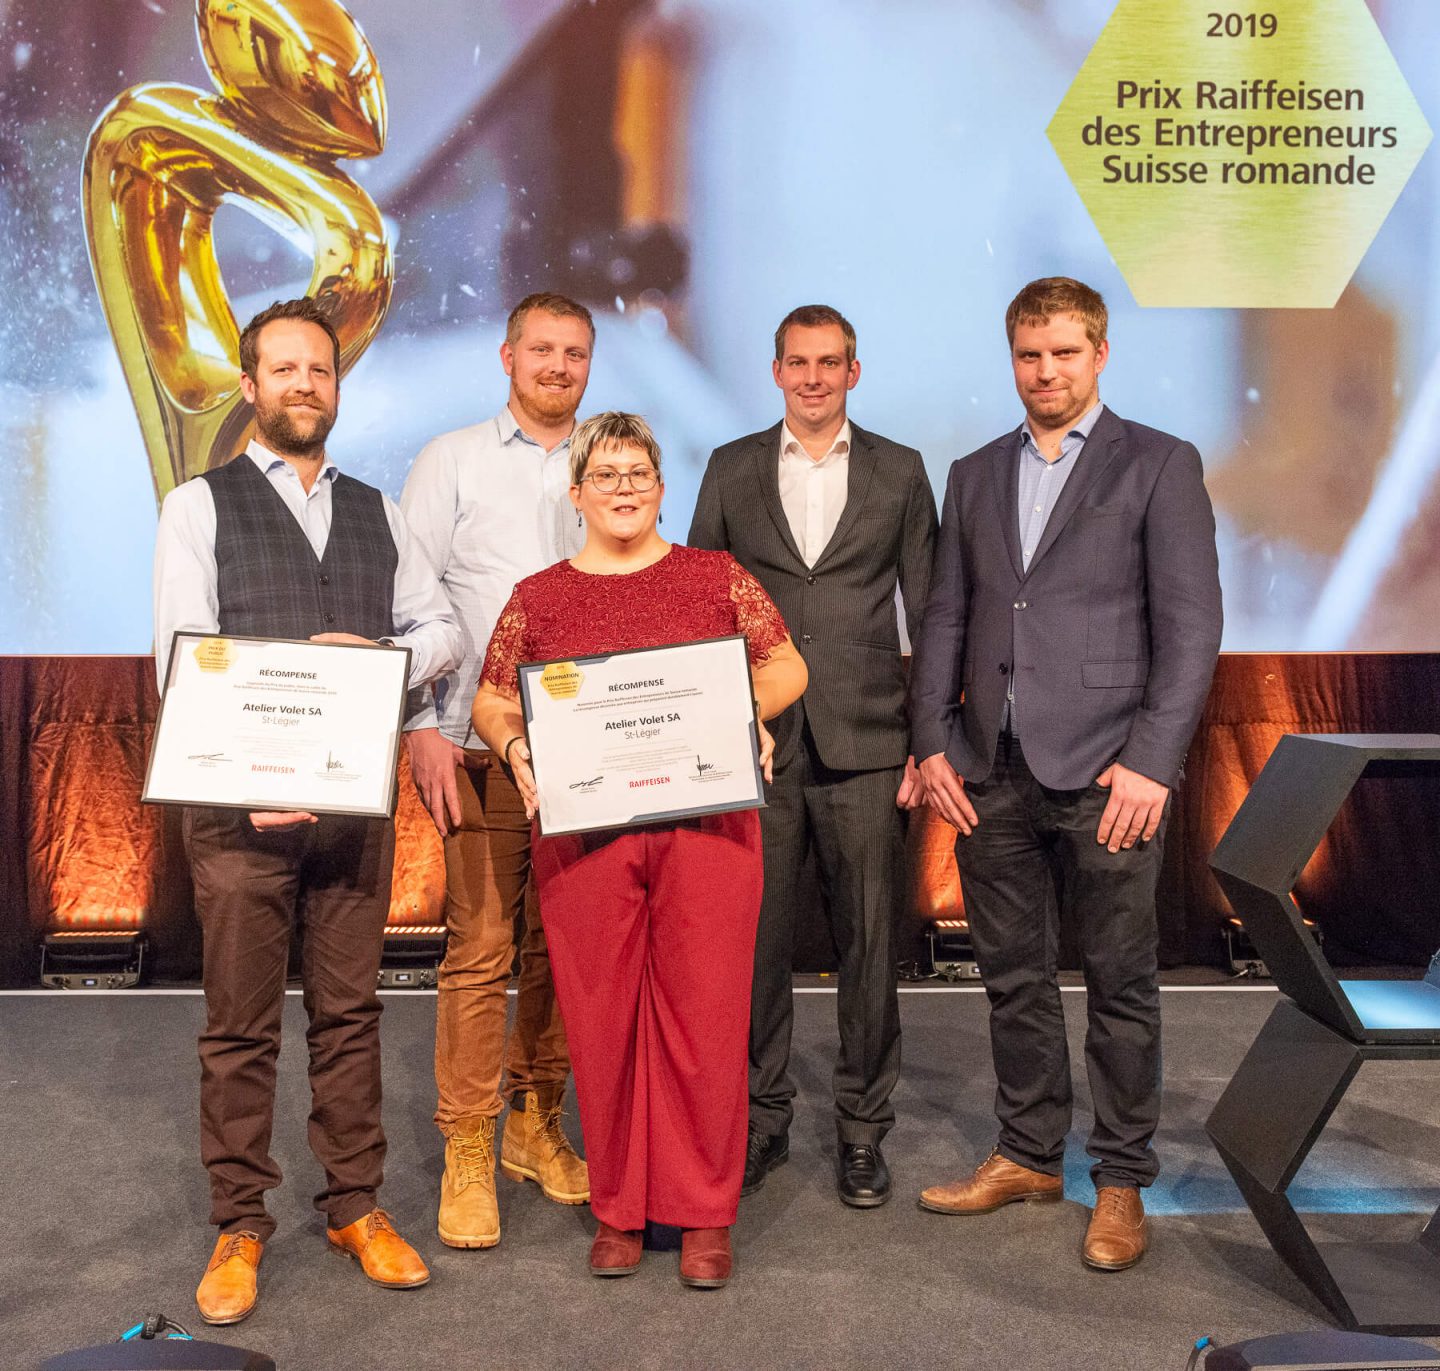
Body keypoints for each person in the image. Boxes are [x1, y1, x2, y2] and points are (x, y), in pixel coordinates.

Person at [152, 297, 463, 1323]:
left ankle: (355, 1206)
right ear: (250, 386)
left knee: (350, 1014)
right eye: (283, 369)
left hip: (350, 808)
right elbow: (181, 657)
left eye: (319, 370)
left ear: (337, 385)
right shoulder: (197, 507)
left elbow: (444, 629)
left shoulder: (379, 510)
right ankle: (240, 1223)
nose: (303, 384)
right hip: (238, 811)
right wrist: (249, 774)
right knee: (240, 1026)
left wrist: (379, 658)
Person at [908, 277, 1222, 1270]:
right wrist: (931, 741)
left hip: (1110, 774)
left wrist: (1152, 763)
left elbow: (1191, 628)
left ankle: (1120, 1177)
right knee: (1012, 978)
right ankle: (1029, 1152)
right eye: (1029, 355)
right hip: (990, 767)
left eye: (1064, 353)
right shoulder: (973, 472)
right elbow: (947, 614)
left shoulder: (1160, 463)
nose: (1046, 372)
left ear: (1100, 354)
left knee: (1122, 984)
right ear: (1013, 359)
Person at [471, 412, 808, 1287]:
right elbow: (492, 699)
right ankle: (620, 1206)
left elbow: (785, 666)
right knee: (604, 1019)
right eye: (605, 474)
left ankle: (704, 1213)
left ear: (662, 487)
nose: (623, 488)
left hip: (708, 828)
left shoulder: (714, 576)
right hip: (585, 835)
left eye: (638, 473)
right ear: (576, 492)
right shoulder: (538, 597)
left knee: (707, 1018)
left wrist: (744, 712)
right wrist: (516, 746)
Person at [688, 304, 937, 1207]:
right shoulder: (731, 466)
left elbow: (932, 614)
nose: (814, 378)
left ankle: (863, 1131)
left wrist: (929, 743)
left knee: (871, 946)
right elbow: (700, 605)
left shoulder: (901, 470)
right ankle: (762, 1120)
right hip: (755, 746)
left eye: (830, 363)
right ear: (776, 372)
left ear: (853, 372)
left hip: (870, 743)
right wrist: (714, 729)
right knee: (755, 946)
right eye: (798, 362)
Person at [399, 292, 594, 1250]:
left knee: (560, 949)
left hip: (590, 753)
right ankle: (467, 1149)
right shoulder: (452, 460)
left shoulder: (610, 459)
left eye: (575, 352)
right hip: (476, 744)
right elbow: (410, 600)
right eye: (542, 349)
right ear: (507, 355)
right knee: (479, 952)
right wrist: (419, 725)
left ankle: (535, 1123)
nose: (558, 366)